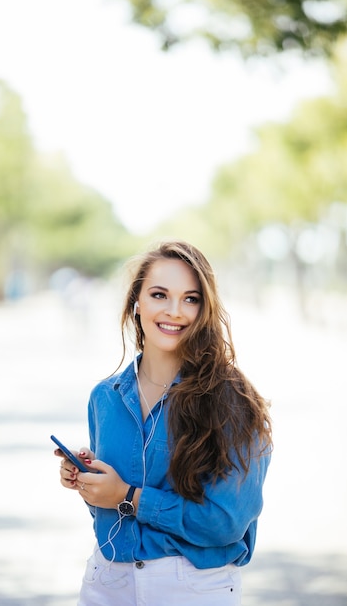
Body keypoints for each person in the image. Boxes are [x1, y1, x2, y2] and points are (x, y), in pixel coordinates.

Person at [54, 239, 272, 606]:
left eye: (191, 298)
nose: (175, 311)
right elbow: (109, 512)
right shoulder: (104, 397)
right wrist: (88, 481)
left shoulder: (231, 400)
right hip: (106, 582)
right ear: (137, 302)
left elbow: (225, 522)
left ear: (205, 308)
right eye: (159, 295)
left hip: (194, 588)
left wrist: (129, 496)